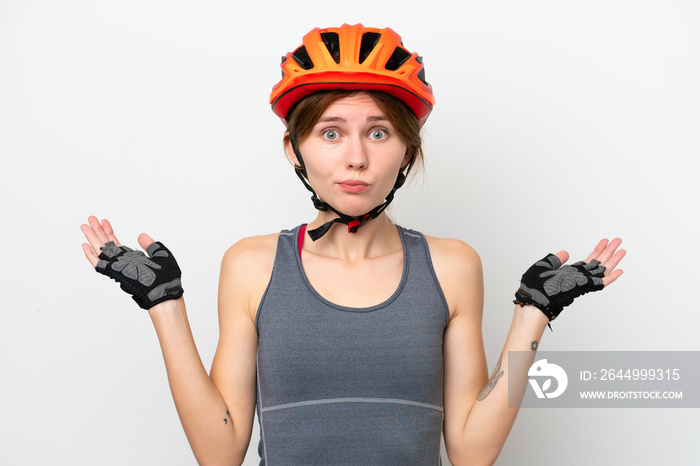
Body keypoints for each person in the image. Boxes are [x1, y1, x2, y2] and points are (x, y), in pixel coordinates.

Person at [80, 23, 626, 465]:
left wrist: (533, 314)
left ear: (406, 152)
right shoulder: (250, 265)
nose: (357, 158)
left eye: (379, 131)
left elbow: (471, 453)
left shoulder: (453, 266)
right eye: (331, 132)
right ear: (296, 150)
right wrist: (164, 306)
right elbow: (220, 453)